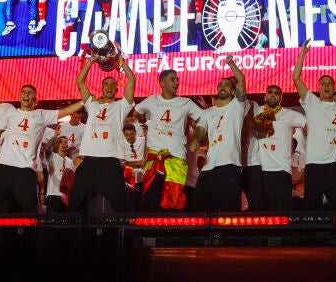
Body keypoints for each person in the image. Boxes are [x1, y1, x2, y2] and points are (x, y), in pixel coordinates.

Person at [0, 78, 81, 213]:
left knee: (29, 214)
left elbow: (66, 111)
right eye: (24, 92)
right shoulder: (10, 112)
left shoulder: (41, 114)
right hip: (3, 169)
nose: (26, 94)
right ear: (19, 96)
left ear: (35, 98)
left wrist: (85, 102)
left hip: (25, 171)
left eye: (30, 92)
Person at [68, 56, 136, 214]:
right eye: (106, 84)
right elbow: (80, 82)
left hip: (110, 163)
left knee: (120, 208)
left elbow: (132, 79)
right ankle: (72, 237)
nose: (110, 86)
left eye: (113, 84)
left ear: (117, 89)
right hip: (89, 162)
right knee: (74, 206)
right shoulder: (92, 104)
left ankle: (121, 237)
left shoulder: (121, 106)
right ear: (101, 88)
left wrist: (121, 63)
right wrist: (91, 61)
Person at [135, 69, 202, 211]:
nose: (177, 82)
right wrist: (143, 118)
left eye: (177, 79)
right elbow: (135, 113)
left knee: (172, 204)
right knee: (150, 203)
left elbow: (204, 119)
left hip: (176, 159)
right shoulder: (152, 100)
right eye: (173, 79)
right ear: (162, 83)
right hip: (154, 158)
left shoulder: (186, 103)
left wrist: (197, 136)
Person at [292, 39, 336, 210]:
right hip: (314, 166)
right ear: (318, 88)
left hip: (335, 166)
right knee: (312, 211)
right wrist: (302, 54)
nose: (326, 86)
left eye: (329, 83)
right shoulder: (311, 102)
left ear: (334, 88)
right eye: (322, 83)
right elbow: (296, 78)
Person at [192, 55, 247, 211]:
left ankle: (229, 236)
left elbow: (241, 79)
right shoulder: (208, 112)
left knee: (229, 211)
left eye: (226, 85)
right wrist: (197, 138)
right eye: (220, 85)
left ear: (232, 90)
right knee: (200, 208)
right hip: (209, 167)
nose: (222, 87)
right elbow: (201, 129)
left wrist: (230, 63)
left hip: (229, 165)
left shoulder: (237, 106)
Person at [251, 84, 306, 211]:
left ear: (281, 97)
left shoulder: (289, 114)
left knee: (282, 214)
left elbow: (308, 125)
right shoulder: (257, 111)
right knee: (263, 215)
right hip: (261, 171)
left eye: (276, 93)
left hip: (282, 171)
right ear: (265, 96)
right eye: (270, 92)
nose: (273, 95)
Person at [43, 135, 74, 213]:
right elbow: (47, 149)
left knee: (66, 223)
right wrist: (54, 136)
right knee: (51, 222)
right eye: (60, 142)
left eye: (65, 142)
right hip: (53, 195)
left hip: (66, 197)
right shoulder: (52, 157)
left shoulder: (71, 161)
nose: (63, 144)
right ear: (57, 144)